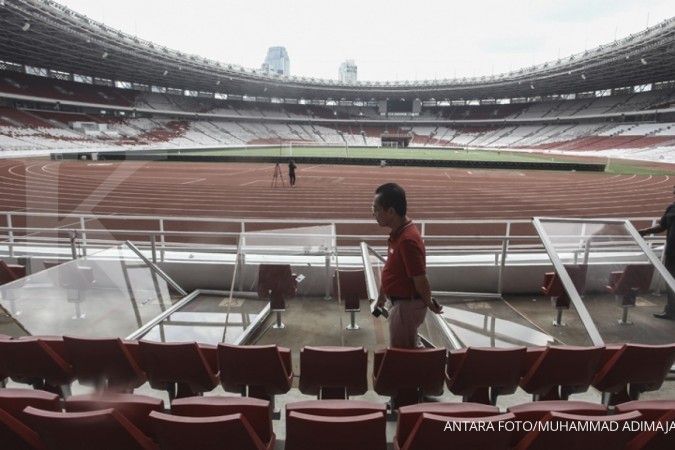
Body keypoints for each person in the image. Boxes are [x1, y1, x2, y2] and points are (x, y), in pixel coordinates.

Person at [373, 183, 443, 348]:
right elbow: (392, 268)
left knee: (403, 354)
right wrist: (382, 296)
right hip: (399, 303)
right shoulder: (398, 234)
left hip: (405, 307)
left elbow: (420, 279)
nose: (373, 213)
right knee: (410, 346)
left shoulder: (407, 241)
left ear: (390, 211)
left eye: (376, 209)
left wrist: (429, 303)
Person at [639, 185, 675, 320]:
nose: (673, 192)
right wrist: (645, 232)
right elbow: (662, 226)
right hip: (672, 254)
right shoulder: (671, 208)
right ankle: (671, 311)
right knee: (670, 281)